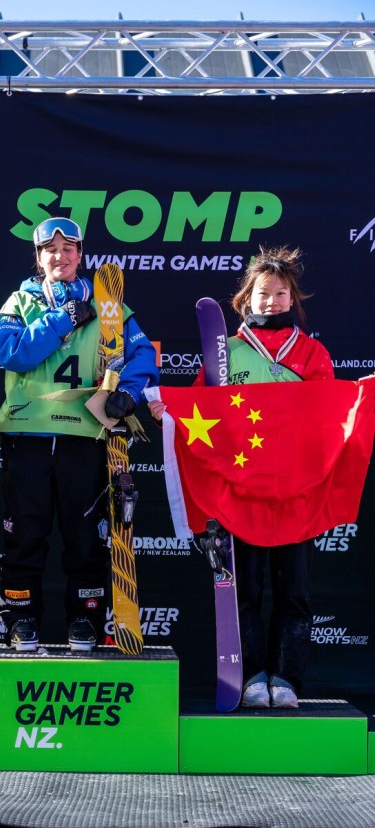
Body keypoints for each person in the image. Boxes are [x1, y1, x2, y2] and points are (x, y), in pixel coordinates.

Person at [150, 245, 333, 709]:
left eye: (280, 293)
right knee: (244, 590)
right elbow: (199, 412)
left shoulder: (312, 354)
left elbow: (329, 418)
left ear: (293, 299)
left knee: (294, 592)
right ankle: (251, 677)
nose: (272, 301)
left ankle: (286, 680)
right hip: (242, 493)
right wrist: (166, 410)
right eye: (263, 293)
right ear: (246, 299)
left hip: (295, 492)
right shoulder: (225, 353)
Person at [0, 217, 159, 653]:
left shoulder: (107, 303)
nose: (60, 257)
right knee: (24, 533)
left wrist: (128, 393)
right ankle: (21, 617)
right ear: (39, 257)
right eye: (51, 250)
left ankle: (85, 617)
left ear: (80, 255)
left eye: (68, 249)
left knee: (85, 536)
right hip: (28, 432)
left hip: (86, 435)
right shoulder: (20, 301)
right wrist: (60, 320)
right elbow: (10, 353)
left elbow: (142, 352)